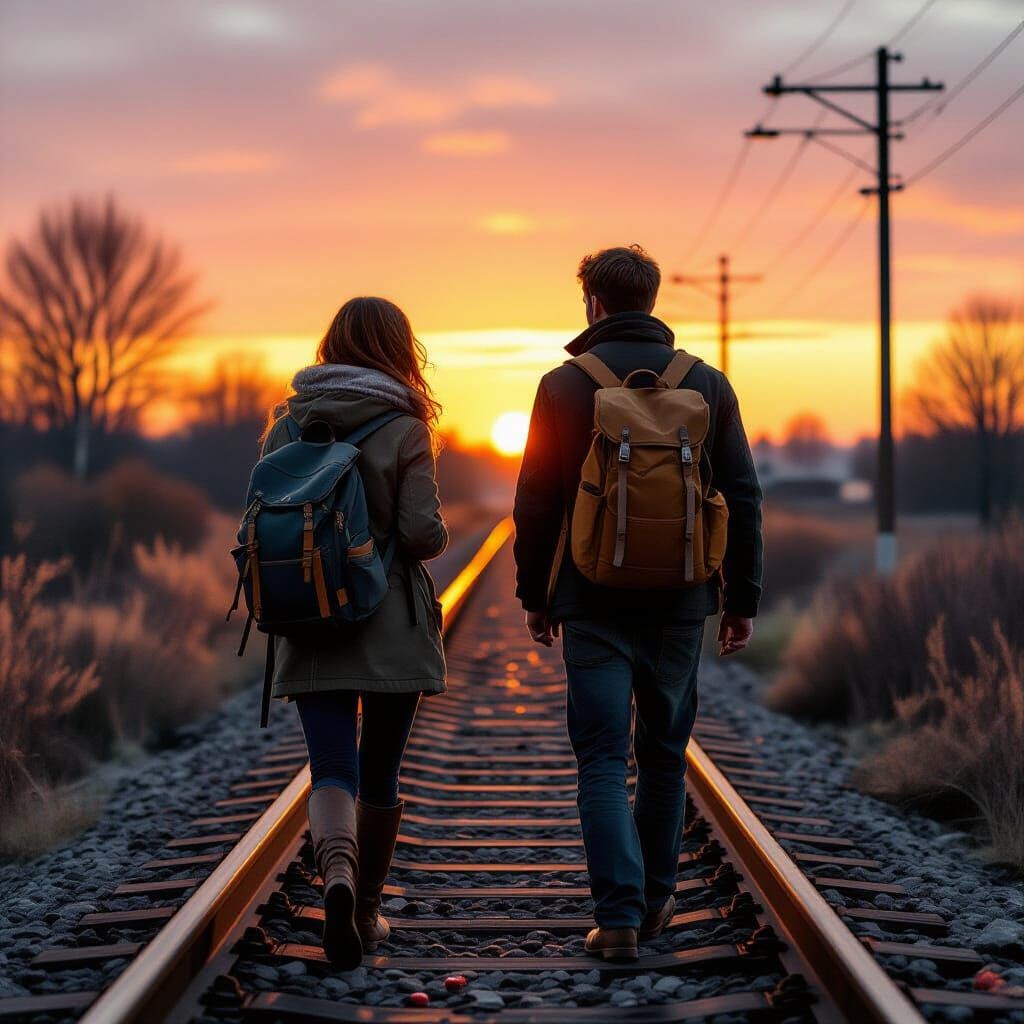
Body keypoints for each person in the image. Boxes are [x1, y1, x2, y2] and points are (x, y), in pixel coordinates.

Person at [512, 245, 763, 961]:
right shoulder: (707, 383)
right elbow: (741, 495)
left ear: (591, 302)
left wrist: (538, 596)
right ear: (651, 301)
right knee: (663, 755)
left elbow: (534, 501)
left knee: (599, 759)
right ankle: (656, 905)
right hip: (682, 601)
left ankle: (616, 918)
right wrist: (739, 597)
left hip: (591, 599)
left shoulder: (564, 385)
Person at [260, 297, 448, 969]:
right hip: (388, 617)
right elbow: (424, 535)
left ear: (331, 344)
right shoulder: (405, 427)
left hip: (309, 621)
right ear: (400, 349)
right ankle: (366, 913)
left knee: (331, 767)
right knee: (381, 769)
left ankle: (335, 878)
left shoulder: (287, 425)